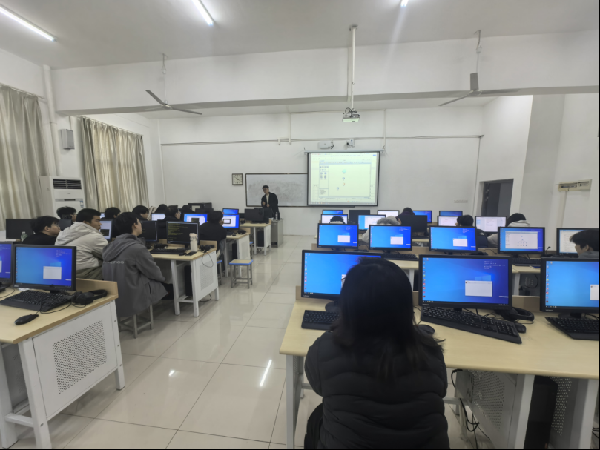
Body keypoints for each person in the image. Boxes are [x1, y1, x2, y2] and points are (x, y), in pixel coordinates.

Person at [304, 258, 448, 449]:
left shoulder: (325, 349)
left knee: (317, 418)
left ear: (347, 305)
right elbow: (441, 390)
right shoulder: (431, 350)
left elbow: (319, 387)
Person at [102, 213, 167, 318]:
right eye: (139, 222)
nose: (141, 224)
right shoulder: (137, 248)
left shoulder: (109, 247)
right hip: (132, 293)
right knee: (161, 283)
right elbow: (153, 272)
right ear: (134, 225)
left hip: (113, 293)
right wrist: (163, 279)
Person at [56, 208, 107, 280]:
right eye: (97, 221)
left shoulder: (63, 233)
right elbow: (109, 254)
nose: (100, 224)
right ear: (86, 222)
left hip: (64, 273)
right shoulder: (94, 236)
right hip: (83, 274)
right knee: (116, 266)